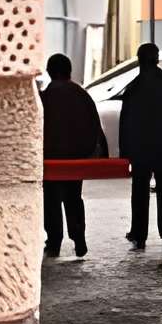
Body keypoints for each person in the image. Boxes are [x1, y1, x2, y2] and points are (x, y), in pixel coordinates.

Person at [117, 41, 162, 259]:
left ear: (139, 60)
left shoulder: (136, 86)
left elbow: (125, 122)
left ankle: (139, 234)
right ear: (157, 60)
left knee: (139, 191)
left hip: (141, 150)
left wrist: (125, 152)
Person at [39, 51, 105, 259]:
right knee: (74, 197)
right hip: (76, 158)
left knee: (51, 200)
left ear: (50, 72)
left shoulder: (45, 97)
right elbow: (95, 126)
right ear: (69, 71)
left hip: (50, 159)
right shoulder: (81, 94)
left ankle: (54, 242)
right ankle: (79, 239)